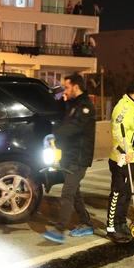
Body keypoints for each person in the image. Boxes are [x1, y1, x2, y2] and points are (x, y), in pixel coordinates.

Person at [42, 73, 96, 243]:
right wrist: (57, 95)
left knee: (67, 192)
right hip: (69, 156)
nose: (65, 90)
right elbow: (60, 114)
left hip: (79, 158)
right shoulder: (73, 104)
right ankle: (86, 223)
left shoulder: (86, 107)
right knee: (75, 192)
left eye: (67, 87)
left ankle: (59, 230)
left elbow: (74, 127)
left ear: (76, 86)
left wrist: (54, 135)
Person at [106, 79, 134, 243]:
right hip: (121, 159)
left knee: (126, 193)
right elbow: (117, 132)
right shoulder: (123, 107)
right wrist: (127, 150)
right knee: (117, 193)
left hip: (132, 158)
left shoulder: (133, 107)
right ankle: (111, 227)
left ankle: (121, 222)